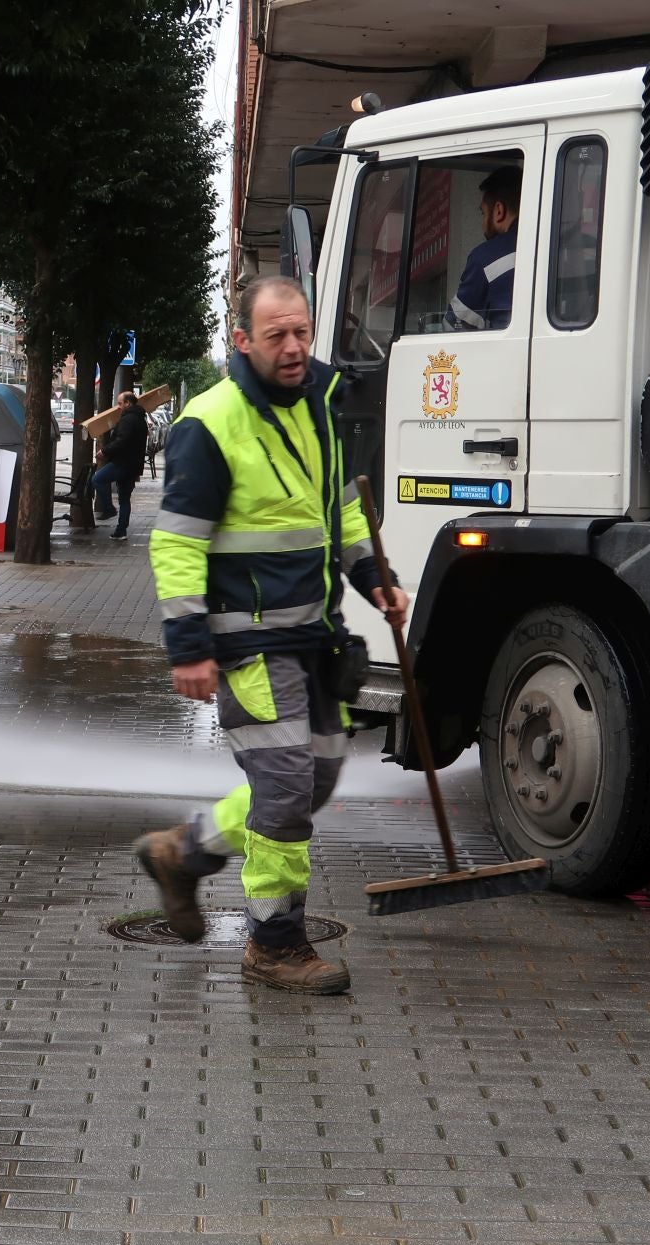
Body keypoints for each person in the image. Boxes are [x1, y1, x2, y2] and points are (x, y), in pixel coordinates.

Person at [135, 276, 409, 994]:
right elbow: (177, 544)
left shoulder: (319, 406)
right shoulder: (211, 422)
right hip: (247, 644)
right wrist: (189, 646)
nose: (293, 348)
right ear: (243, 340)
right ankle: (275, 944)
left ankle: (184, 852)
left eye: (302, 332)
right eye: (277, 335)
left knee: (313, 780)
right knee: (286, 791)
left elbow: (339, 506)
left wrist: (371, 574)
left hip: (314, 639)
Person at [450, 165, 521, 331]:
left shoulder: (485, 258)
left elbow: (454, 326)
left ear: (498, 211)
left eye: (483, 213)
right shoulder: (564, 250)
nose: (482, 224)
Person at [91, 390, 150, 541]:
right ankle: (121, 531)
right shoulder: (140, 419)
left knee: (98, 479)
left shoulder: (128, 420)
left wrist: (104, 451)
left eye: (120, 403)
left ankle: (110, 509)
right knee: (124, 499)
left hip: (122, 463)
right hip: (133, 466)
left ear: (128, 403)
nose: (118, 407)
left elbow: (121, 441)